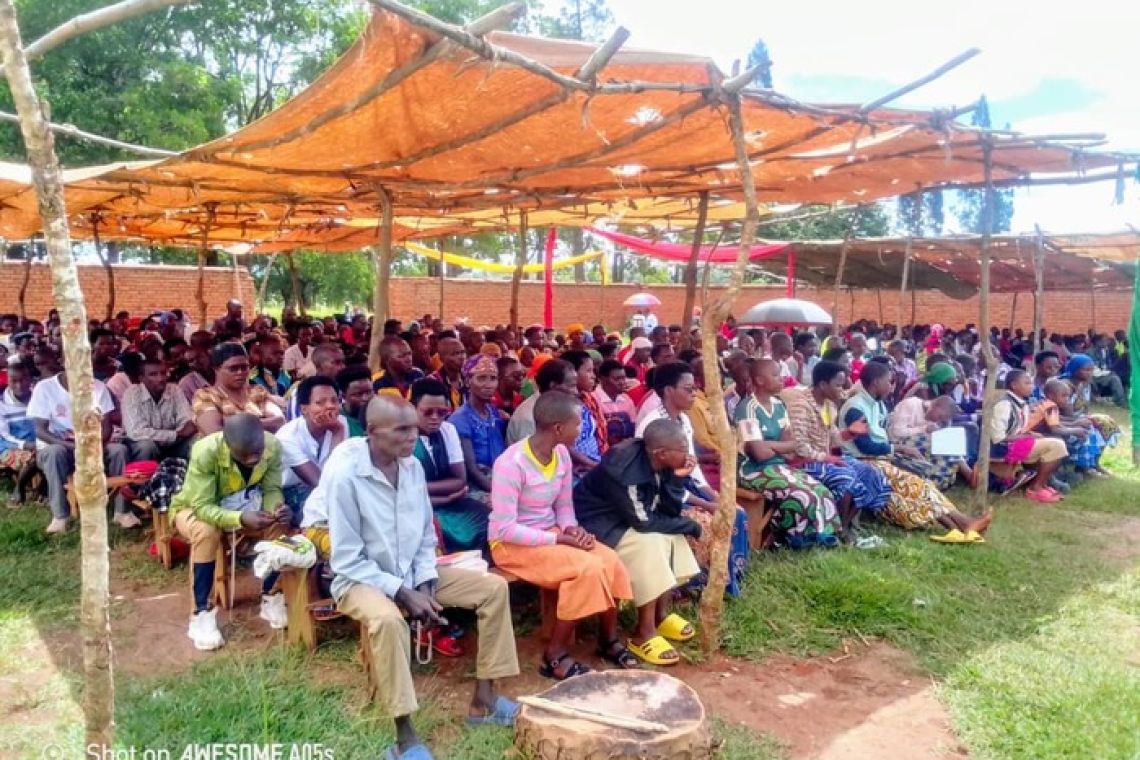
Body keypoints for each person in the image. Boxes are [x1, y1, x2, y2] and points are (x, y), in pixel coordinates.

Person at [326, 396, 520, 757]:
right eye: (401, 429)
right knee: (387, 621)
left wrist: (427, 580)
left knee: (493, 589)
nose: (411, 436)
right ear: (371, 432)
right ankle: (404, 736)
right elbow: (347, 560)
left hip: (413, 572)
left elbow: (424, 535)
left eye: (413, 428)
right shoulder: (344, 476)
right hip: (360, 580)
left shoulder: (411, 466)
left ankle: (485, 699)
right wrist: (402, 591)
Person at [490, 392, 634, 679]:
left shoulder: (562, 455)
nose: (582, 429)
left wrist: (572, 529)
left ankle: (607, 639)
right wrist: (558, 539)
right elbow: (504, 528)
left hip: (550, 534)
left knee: (610, 559)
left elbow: (564, 507)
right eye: (578, 424)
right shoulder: (511, 463)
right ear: (558, 428)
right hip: (512, 544)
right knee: (587, 569)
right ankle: (554, 655)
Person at [573, 419, 701, 666]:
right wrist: (693, 526)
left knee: (670, 535)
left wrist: (676, 479)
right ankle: (644, 633)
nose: (688, 456)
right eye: (683, 451)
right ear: (662, 453)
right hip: (598, 524)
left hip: (626, 518)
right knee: (649, 544)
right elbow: (644, 522)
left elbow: (668, 512)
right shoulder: (624, 470)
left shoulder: (660, 462)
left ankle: (660, 617)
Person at [170, 414, 290, 649]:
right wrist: (239, 518)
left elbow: (272, 488)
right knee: (207, 531)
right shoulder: (205, 451)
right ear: (227, 445)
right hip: (194, 506)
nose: (254, 458)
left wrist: (275, 508)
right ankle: (200, 614)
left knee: (278, 522)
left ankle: (271, 595)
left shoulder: (272, 445)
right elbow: (202, 506)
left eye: (257, 451)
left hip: (242, 502)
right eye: (245, 455)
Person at [636, 361, 750, 596]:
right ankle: (696, 586)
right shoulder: (653, 425)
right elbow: (660, 481)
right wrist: (705, 503)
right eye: (688, 389)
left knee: (735, 511)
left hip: (685, 484)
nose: (694, 393)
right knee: (710, 518)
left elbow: (692, 465)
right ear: (669, 391)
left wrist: (710, 491)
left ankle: (730, 578)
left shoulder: (683, 420)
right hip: (660, 495)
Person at [840, 361, 990, 538]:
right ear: (875, 383)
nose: (892, 386)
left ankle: (961, 524)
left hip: (878, 458)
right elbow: (864, 446)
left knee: (920, 485)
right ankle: (961, 524)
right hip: (862, 461)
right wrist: (898, 448)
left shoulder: (876, 404)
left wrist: (894, 450)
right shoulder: (856, 407)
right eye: (889, 381)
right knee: (912, 486)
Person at [779, 359, 892, 541]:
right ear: (823, 384)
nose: (843, 390)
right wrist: (826, 458)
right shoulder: (801, 406)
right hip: (803, 462)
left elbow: (833, 438)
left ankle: (844, 526)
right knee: (846, 479)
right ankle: (835, 531)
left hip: (824, 458)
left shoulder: (828, 406)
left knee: (872, 474)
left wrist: (849, 433)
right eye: (839, 385)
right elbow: (800, 446)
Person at [736, 359, 842, 548]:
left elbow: (793, 444)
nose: (782, 379)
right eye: (775, 375)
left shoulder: (778, 405)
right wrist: (776, 446)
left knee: (821, 490)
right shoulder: (747, 408)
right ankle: (793, 539)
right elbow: (759, 454)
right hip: (753, 471)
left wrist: (769, 444)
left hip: (778, 465)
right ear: (759, 380)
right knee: (802, 495)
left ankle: (821, 536)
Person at [29, 364, 132, 533]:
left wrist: (94, 446)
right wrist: (72, 446)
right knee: (55, 452)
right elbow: (41, 430)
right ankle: (60, 516)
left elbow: (106, 427)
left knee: (118, 450)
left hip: (92, 446)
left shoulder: (98, 388)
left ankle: (122, 511)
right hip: (58, 447)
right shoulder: (45, 388)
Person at [410, 378, 489, 552]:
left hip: (451, 500)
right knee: (438, 530)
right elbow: (404, 490)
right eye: (428, 412)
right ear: (413, 408)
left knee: (487, 518)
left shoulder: (448, 430)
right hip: (418, 504)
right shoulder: (404, 436)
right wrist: (446, 496)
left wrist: (418, 486)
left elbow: (460, 480)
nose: (435, 418)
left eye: (442, 412)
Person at [275, 376, 348, 525]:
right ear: (304, 409)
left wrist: (337, 431)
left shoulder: (341, 423)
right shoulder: (287, 437)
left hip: (328, 487)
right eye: (320, 403)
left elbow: (341, 472)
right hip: (292, 492)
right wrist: (337, 433)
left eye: (334, 401)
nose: (330, 407)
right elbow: (321, 483)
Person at [990, 370, 1070, 503]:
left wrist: (1031, 435)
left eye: (1031, 383)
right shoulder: (1004, 404)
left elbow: (1019, 429)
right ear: (1014, 385)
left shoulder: (1020, 403)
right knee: (1056, 445)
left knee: (1051, 442)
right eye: (1026, 383)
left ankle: (1042, 484)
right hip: (1004, 448)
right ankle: (1035, 488)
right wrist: (1026, 437)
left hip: (1016, 443)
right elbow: (998, 438)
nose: (1031, 386)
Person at [193, 343, 284, 435]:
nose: (240, 372)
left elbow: (279, 421)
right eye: (233, 368)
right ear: (216, 369)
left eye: (244, 367)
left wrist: (233, 424)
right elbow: (214, 432)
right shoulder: (205, 396)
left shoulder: (256, 391)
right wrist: (260, 422)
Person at [449, 354, 507, 499]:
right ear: (468, 381)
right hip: (477, 486)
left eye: (493, 378)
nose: (489, 385)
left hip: (501, 476)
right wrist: (501, 492)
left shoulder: (493, 412)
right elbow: (472, 470)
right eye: (481, 378)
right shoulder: (460, 420)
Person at [887, 394, 975, 489]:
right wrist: (924, 429)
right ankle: (966, 473)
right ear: (936, 406)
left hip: (921, 449)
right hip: (898, 445)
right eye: (940, 416)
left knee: (947, 441)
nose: (938, 420)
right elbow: (896, 433)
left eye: (942, 419)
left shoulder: (934, 420)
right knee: (939, 442)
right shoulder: (911, 404)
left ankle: (951, 476)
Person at [121, 356, 196, 463]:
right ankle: (142, 479)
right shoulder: (132, 394)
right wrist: (176, 434)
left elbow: (187, 422)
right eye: (153, 374)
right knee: (146, 446)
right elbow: (136, 432)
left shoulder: (174, 389)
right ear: (141, 378)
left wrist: (181, 433)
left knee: (197, 440)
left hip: (173, 444)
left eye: (163, 373)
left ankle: (191, 477)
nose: (160, 378)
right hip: (142, 445)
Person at [506, 358, 577, 445]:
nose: (576, 392)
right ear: (553, 386)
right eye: (572, 386)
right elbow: (531, 454)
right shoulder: (528, 416)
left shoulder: (555, 406)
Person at [560, 350, 606, 472]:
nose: (594, 376)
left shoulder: (588, 398)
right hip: (578, 469)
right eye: (588, 371)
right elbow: (564, 445)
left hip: (595, 460)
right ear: (572, 373)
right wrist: (593, 465)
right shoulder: (561, 405)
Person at [0, 359, 38, 506]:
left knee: (52, 454)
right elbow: (5, 435)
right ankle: (19, 489)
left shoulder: (38, 398)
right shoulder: (2, 404)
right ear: (7, 380)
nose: (19, 385)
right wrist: (25, 445)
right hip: (9, 446)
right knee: (34, 458)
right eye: (14, 380)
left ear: (30, 379)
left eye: (23, 379)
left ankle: (41, 489)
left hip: (38, 444)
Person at [286, 343, 347, 420]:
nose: (343, 367)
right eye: (337, 363)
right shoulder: (302, 391)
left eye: (343, 362)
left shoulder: (342, 389)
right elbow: (298, 424)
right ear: (319, 366)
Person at [429, 337, 467, 409]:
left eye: (463, 352)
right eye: (455, 354)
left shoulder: (469, 379)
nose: (461, 357)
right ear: (441, 358)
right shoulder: (431, 382)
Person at [337, 365, 374, 437]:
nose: (365, 398)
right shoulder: (338, 421)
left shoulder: (382, 415)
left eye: (369, 392)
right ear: (343, 395)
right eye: (358, 394)